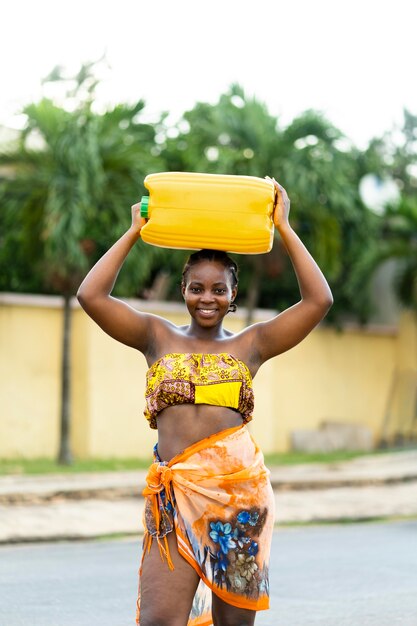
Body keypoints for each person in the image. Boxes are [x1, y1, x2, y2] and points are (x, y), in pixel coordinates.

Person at [77, 177, 333, 626]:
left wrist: (284, 228)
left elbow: (318, 300)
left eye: (219, 289)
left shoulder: (252, 345)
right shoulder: (156, 336)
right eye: (198, 287)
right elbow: (90, 296)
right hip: (173, 501)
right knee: (160, 620)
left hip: (238, 501)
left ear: (233, 296)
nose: (207, 298)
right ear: (184, 290)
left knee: (233, 624)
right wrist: (135, 229)